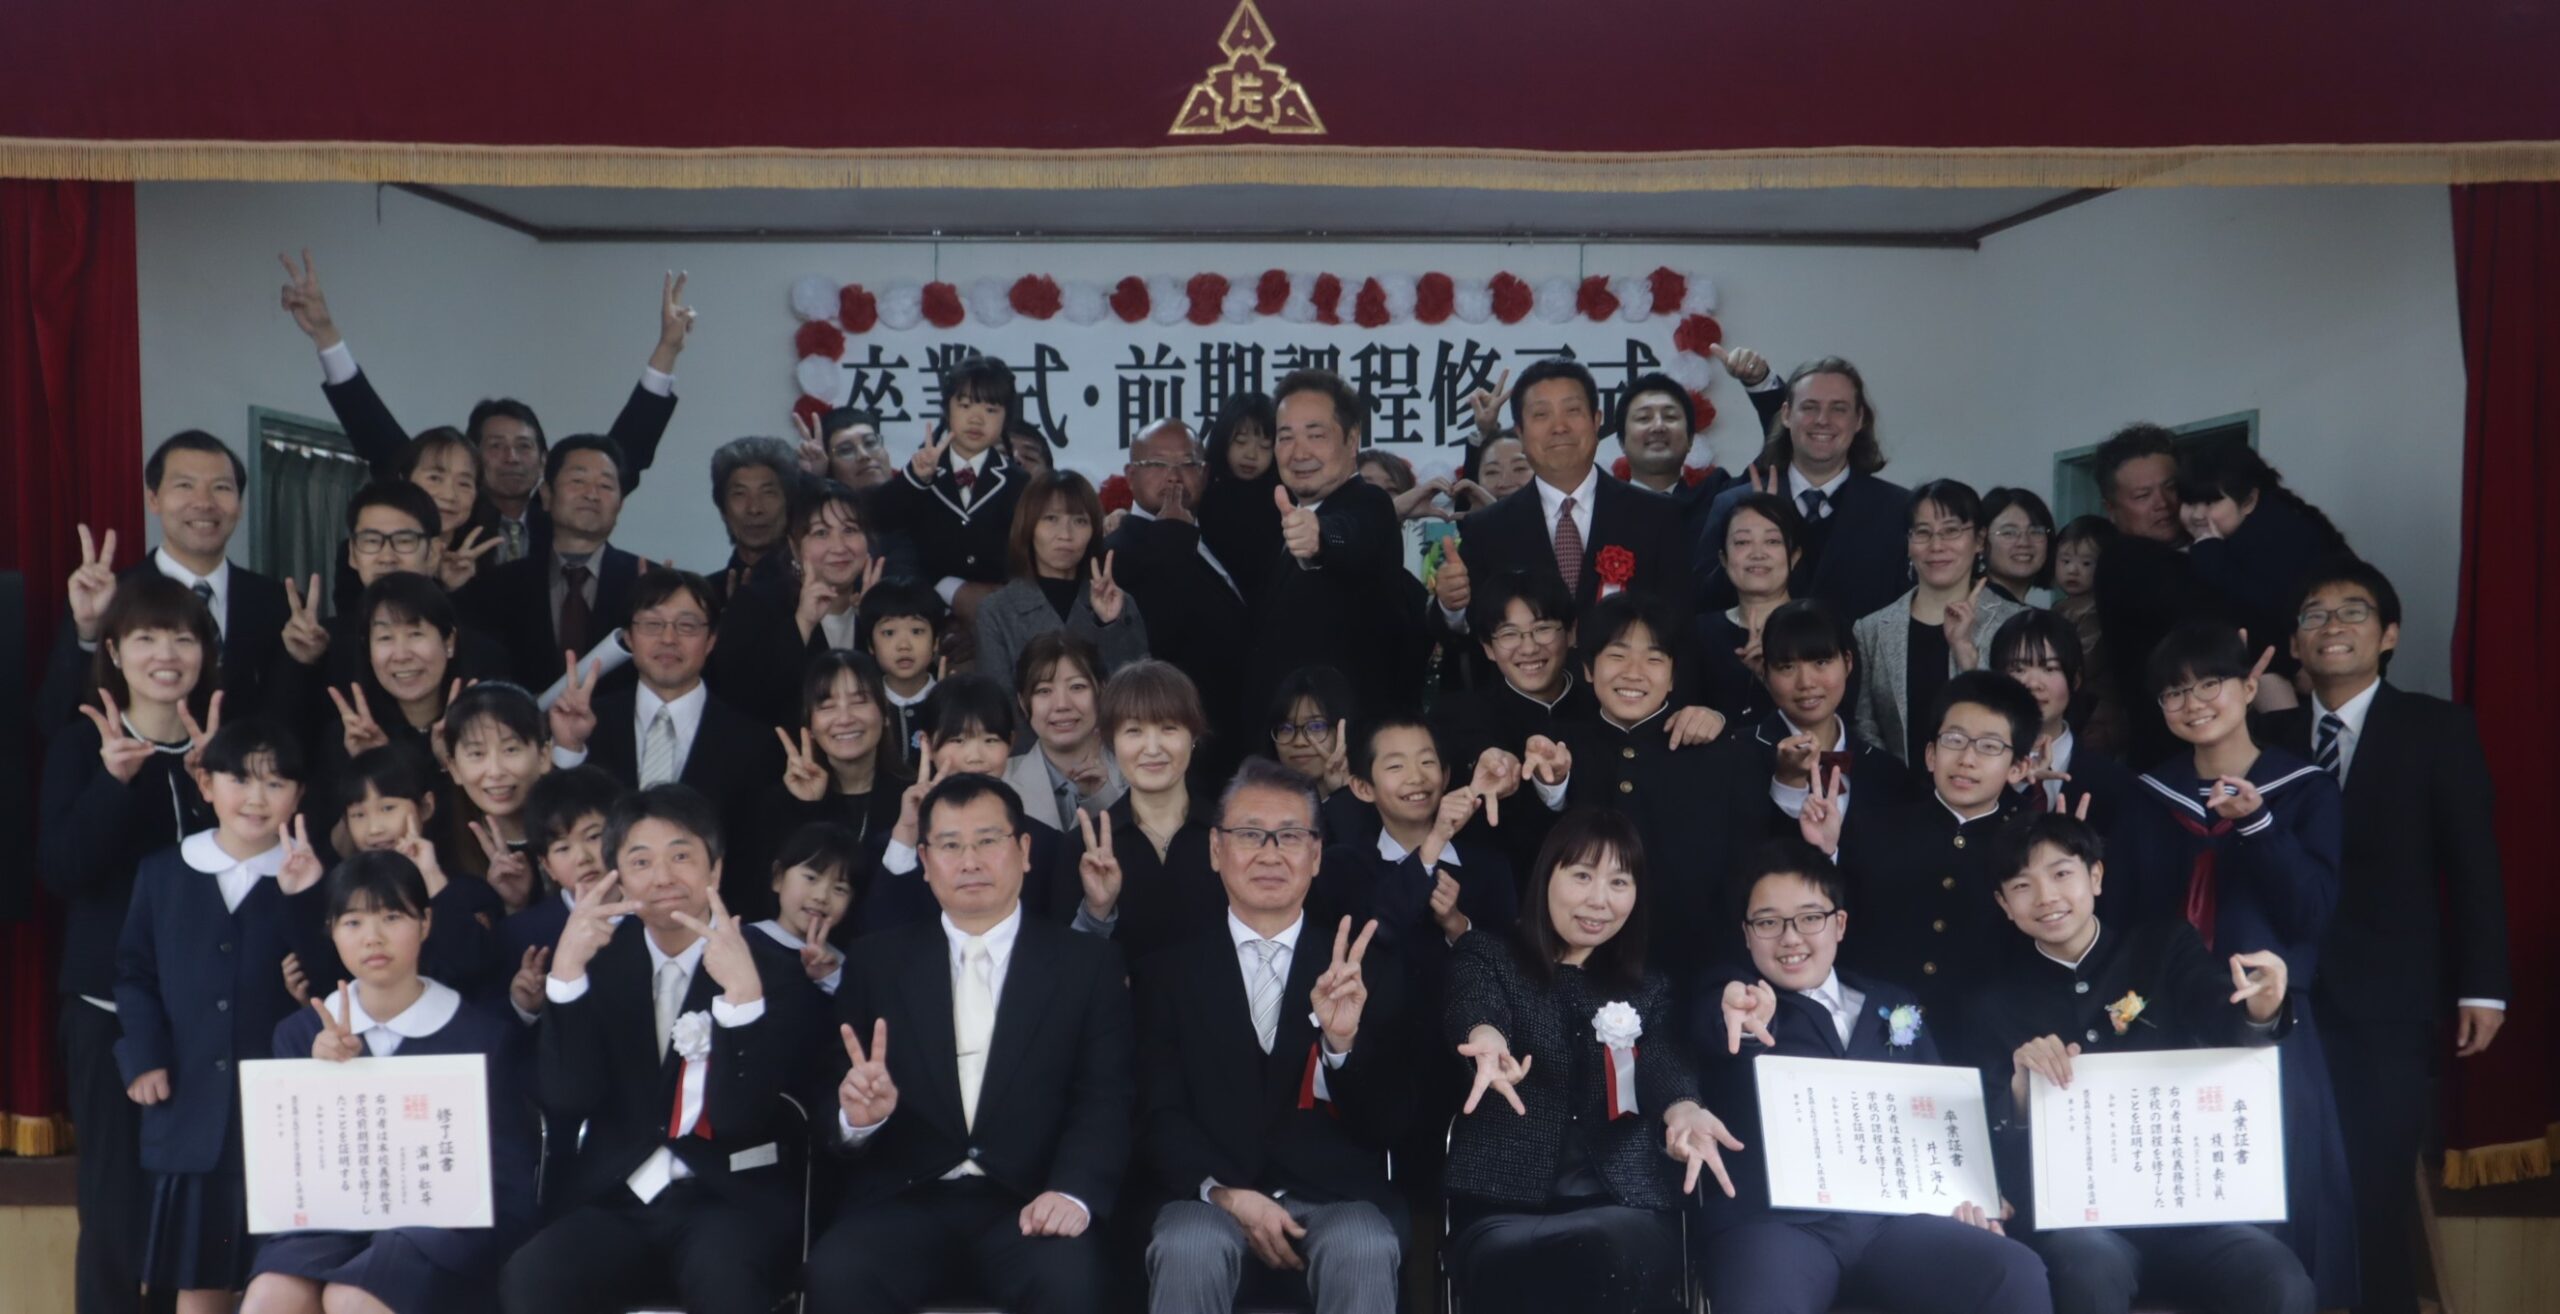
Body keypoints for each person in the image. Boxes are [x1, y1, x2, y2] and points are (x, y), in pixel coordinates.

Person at [2268, 561, 2509, 1314]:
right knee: (2282, 1188)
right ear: (2295, 644)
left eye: (2353, 611)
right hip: (2278, 998)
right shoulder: (2263, 737)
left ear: (2390, 635)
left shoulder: (2438, 728)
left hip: (2389, 998)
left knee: (2376, 1188)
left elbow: (2473, 862)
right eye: (2314, 614)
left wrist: (2483, 987)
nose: (2332, 626)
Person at [803, 773, 1136, 1314]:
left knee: (1072, 1281)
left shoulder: (1086, 965)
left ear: (1024, 851)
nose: (970, 861)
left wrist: (1073, 1192)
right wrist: (857, 1120)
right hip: (904, 1199)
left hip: (1030, 1200)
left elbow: (1106, 1097)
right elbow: (833, 1090)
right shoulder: (876, 961)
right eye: (950, 845)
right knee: (836, 1273)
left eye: (987, 841)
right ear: (925, 861)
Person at [1969, 814, 2314, 1314]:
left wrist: (2262, 1008)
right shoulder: (1994, 1004)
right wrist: (2022, 1092)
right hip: (2085, 1225)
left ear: (2096, 876)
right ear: (2004, 904)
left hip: (2195, 1210)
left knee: (2279, 1279)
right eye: (2022, 885)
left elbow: (2224, 1018)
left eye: (2061, 873)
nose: (2045, 896)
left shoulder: (2163, 948)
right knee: (2086, 1270)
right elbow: (1993, 1141)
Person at [1691, 838, 2051, 1314]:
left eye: (1809, 918)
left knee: (2013, 1271)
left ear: (1839, 924)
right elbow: (1716, 1027)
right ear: (1746, 933)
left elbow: (1941, 1108)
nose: (1791, 938)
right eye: (1768, 922)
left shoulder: (1893, 1002)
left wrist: (1973, 1194)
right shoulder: (1734, 1002)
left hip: (1895, 1223)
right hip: (1777, 1226)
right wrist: (1738, 1013)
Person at [498, 785, 819, 1314]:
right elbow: (567, 1098)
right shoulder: (597, 963)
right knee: (533, 1277)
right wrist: (567, 976)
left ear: (716, 869)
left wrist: (742, 997)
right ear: (618, 878)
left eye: (681, 856)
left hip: (728, 1200)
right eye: (641, 861)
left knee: (728, 1282)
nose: (663, 877)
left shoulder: (771, 969)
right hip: (616, 1197)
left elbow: (742, 1117)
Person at [2109, 619, 2355, 1305]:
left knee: (2281, 1200)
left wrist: (2257, 825)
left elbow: (2311, 914)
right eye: (2174, 692)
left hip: (2272, 1026)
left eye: (2209, 684)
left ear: (2250, 686)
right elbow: (2125, 920)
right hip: (2165, 1025)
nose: (2193, 703)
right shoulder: (2148, 795)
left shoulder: (2304, 788)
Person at [1137, 758, 1411, 1314]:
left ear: (1316, 855)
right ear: (1216, 850)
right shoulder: (1166, 973)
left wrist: (1341, 1047)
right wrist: (1225, 1194)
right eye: (1249, 834)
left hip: (1335, 1197)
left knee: (1364, 1245)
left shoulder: (1366, 971)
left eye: (1289, 836)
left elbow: (1393, 1123)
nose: (1269, 853)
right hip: (1209, 1196)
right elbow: (1156, 1112)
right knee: (1187, 1247)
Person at [1441, 808, 1741, 1314]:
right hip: (1504, 1210)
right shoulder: (1487, 955)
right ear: (1546, 877)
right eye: (1582, 876)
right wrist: (1486, 1040)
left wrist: (1685, 1109)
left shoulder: (1650, 988)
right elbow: (1474, 1005)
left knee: (1604, 1250)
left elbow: (1664, 1063)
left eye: (1619, 882)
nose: (1600, 900)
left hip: (1624, 1207)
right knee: (1535, 1263)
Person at [247, 850, 538, 1314]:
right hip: (330, 1222)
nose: (373, 938)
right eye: (353, 922)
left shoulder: (481, 1036)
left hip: (442, 1229)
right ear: (332, 931)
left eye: (392, 917)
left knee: (353, 1297)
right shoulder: (301, 1035)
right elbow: (287, 1174)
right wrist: (318, 1077)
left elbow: (509, 1182)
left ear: (425, 923)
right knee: (270, 1296)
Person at [40, 574, 217, 1314]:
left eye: (182, 637)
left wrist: (217, 791)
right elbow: (60, 871)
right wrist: (113, 786)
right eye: (146, 638)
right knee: (114, 1207)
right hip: (106, 1009)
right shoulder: (82, 745)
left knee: (199, 1204)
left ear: (205, 652)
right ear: (114, 652)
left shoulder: (223, 748)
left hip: (206, 1015)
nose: (165, 654)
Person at [278, 254, 689, 566]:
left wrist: (667, 351)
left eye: (524, 447)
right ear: (473, 459)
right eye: (495, 446)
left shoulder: (561, 515)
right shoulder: (447, 514)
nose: (511, 457)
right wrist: (325, 335)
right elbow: (375, 433)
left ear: (543, 461)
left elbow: (626, 450)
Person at [116, 718, 327, 1312]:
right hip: (191, 1109)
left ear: (299, 795)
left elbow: (336, 981)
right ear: (206, 785)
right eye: (240, 779)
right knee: (200, 1278)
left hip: (284, 1113)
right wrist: (144, 1056)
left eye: (275, 783)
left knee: (282, 1277)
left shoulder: (315, 876)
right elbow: (134, 973)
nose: (257, 798)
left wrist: (305, 898)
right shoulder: (163, 872)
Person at [1524, 592, 1769, 984]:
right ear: (1588, 669)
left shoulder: (1719, 753)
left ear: (1672, 676)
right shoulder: (1558, 748)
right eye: (1617, 656)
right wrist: (1551, 787)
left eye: (1654, 659)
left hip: (1692, 971)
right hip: (1578, 973)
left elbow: (1747, 867)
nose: (1634, 673)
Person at [1430, 359, 1696, 687]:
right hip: (1524, 712)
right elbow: (1469, 637)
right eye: (1541, 415)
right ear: (1520, 432)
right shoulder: (1486, 529)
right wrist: (1452, 606)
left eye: (1572, 411)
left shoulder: (1657, 517)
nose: (1559, 427)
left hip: (1630, 705)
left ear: (1597, 420)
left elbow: (1681, 630)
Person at [1810, 670, 2041, 1041]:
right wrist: (1828, 852)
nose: (1967, 759)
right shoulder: (1874, 826)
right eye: (1954, 740)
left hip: (1983, 1042)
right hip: (1873, 1036)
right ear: (1931, 754)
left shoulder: (2030, 847)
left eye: (1989, 747)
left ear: (2018, 768)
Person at [38, 434, 291, 733]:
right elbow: (55, 719)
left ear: (240, 504)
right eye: (185, 485)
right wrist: (89, 632)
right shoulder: (110, 596)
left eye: (221, 487)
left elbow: (292, 723)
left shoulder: (278, 602)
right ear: (153, 499)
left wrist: (304, 660)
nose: (204, 502)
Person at [581, 569, 779, 912]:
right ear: (628, 637)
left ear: (712, 639)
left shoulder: (754, 742)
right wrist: (568, 751)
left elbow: (754, 859)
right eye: (652, 624)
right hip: (604, 921)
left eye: (687, 626)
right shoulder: (589, 725)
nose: (668, 639)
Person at [1240, 370, 1427, 732]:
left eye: (1316, 435)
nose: (1299, 452)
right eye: (1286, 437)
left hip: (1347, 742)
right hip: (1288, 744)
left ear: (1352, 439)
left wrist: (1321, 538)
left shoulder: (1370, 503)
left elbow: (1351, 534)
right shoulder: (1283, 518)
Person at [859, 676, 1082, 932]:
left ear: (1011, 742)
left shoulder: (1047, 844)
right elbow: (877, 937)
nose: (975, 757)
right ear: (927, 744)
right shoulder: (895, 846)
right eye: (958, 741)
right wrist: (906, 834)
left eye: (990, 740)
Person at [1699, 354, 1910, 624]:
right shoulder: (1733, 504)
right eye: (1809, 407)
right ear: (1786, 414)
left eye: (1839, 408)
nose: (1822, 420)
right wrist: (1753, 533)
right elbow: (1703, 603)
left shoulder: (1899, 508)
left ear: (1859, 419)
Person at [293, 743, 503, 1002]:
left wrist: (432, 880)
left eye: (387, 808)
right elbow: (327, 981)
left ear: (425, 807)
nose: (374, 828)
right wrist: (302, 893)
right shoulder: (342, 895)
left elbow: (474, 966)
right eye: (358, 815)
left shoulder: (468, 891)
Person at [1105, 419, 1250, 769]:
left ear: (1205, 473)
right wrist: (1171, 537)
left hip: (1232, 744)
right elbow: (1154, 641)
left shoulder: (1219, 535)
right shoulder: (1115, 553)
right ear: (1130, 475)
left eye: (1187, 464)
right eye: (1157, 464)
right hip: (1171, 751)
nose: (1173, 477)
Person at [1061, 660, 1226, 966]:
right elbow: (1064, 969)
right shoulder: (1083, 848)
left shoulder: (1231, 835)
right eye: (1134, 731)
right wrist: (1096, 911)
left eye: (1168, 728)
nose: (1152, 749)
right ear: (1112, 742)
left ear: (1193, 736)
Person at [1853, 480, 2028, 767]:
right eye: (1923, 532)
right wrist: (1890, 780)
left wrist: (1968, 657)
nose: (1936, 546)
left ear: (1979, 540)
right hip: (1895, 788)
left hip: (1986, 786)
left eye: (1951, 531)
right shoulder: (1871, 629)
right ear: (1908, 543)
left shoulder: (2015, 623)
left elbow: (2020, 717)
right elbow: (1865, 723)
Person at [455, 434, 648, 690]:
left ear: (620, 504)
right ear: (546, 495)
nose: (592, 494)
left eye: (605, 485)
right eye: (578, 481)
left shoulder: (648, 583)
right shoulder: (496, 585)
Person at [1426, 571, 1578, 877]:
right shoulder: (1460, 716)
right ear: (1488, 647)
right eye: (1509, 634)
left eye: (1543, 629)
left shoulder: (1600, 706)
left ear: (1571, 633)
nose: (1528, 648)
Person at [707, 476, 887, 731]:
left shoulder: (884, 605)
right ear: (793, 546)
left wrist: (873, 623)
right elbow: (741, 701)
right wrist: (802, 623)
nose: (839, 547)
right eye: (821, 533)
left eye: (850, 530)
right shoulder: (755, 605)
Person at [870, 355, 1031, 636]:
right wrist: (917, 479)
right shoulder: (920, 471)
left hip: (995, 622)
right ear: (947, 409)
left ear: (1006, 418)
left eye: (991, 409)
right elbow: (881, 519)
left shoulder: (1018, 482)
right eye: (965, 405)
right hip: (923, 619)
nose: (976, 419)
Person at [2087, 423, 2216, 767]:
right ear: (2111, 508)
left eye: (2171, 487)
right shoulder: (2123, 561)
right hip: (2171, 756)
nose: (2163, 504)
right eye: (2142, 496)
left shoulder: (2200, 548)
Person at [2177, 444, 2352, 687]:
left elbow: (2261, 610)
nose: (2197, 515)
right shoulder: (2276, 518)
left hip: (2324, 665)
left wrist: (2209, 553)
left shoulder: (2272, 537)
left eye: (2211, 502)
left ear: (2249, 501)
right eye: (2189, 502)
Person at [974, 469, 1149, 692]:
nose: (1065, 534)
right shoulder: (997, 611)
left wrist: (1110, 626)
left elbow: (1138, 694)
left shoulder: (1119, 603)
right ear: (1028, 526)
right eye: (1051, 519)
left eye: (1080, 521)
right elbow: (998, 703)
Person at [1752, 598, 1911, 827]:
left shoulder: (1888, 773)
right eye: (1787, 667)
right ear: (1765, 673)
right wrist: (1787, 783)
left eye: (1821, 662)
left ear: (1848, 663)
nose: (1806, 682)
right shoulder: (1738, 757)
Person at [759, 650, 909, 890]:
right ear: (809, 726)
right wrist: (807, 807)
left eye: (859, 702)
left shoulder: (912, 799)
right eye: (827, 706)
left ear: (885, 714)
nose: (845, 719)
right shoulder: (779, 804)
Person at [1988, 608, 2138, 831]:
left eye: (2049, 668)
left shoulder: (2116, 783)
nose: (2033, 684)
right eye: (2018, 669)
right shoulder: (1975, 772)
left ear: (2075, 680)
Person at [439, 683, 582, 914]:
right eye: (477, 754)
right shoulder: (443, 849)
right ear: (454, 768)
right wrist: (512, 906)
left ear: (543, 756)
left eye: (510, 750)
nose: (495, 771)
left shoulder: (584, 828)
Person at [1002, 632, 1127, 833]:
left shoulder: (1135, 771)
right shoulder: (999, 779)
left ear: (1101, 692)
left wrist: (1100, 797)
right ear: (1023, 703)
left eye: (1077, 687)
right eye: (1044, 691)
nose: (1062, 705)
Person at [1697, 491, 1803, 725]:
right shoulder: (1696, 634)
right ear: (1724, 559)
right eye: (1742, 542)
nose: (1758, 554)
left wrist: (1772, 675)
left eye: (1772, 541)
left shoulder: (1822, 628)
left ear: (1794, 556)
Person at [1611, 371, 1738, 533]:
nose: (1658, 426)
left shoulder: (1715, 500)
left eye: (1670, 417)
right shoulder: (1599, 510)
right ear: (1622, 441)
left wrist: (1759, 383)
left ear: (1690, 440)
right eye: (1644, 418)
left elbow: (1767, 469)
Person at [748, 820, 863, 998]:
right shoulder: (745, 943)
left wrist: (831, 978)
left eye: (839, 889)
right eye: (811, 878)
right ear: (778, 877)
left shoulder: (845, 967)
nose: (821, 896)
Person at [2048, 516, 2126, 755]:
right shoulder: (2063, 606)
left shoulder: (2097, 610)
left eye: (2086, 563)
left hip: (2097, 710)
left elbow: (2085, 660)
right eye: (2065, 560)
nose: (2073, 570)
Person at [1198, 391, 1281, 606]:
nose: (1251, 455)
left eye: (1264, 446)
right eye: (1241, 441)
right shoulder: (1202, 495)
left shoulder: (1284, 499)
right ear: (1222, 440)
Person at [704, 435, 804, 609]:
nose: (754, 508)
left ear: (789, 503)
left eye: (768, 493)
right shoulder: (704, 597)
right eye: (740, 494)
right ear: (722, 509)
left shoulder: (813, 591)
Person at [859, 582, 949, 756]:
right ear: (871, 645)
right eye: (889, 633)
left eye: (917, 631)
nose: (904, 646)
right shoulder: (864, 705)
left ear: (936, 641)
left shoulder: (953, 703)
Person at [1980, 487, 2057, 608]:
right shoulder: (1971, 610)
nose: (2024, 542)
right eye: (2009, 533)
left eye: (2035, 532)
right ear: (1981, 542)